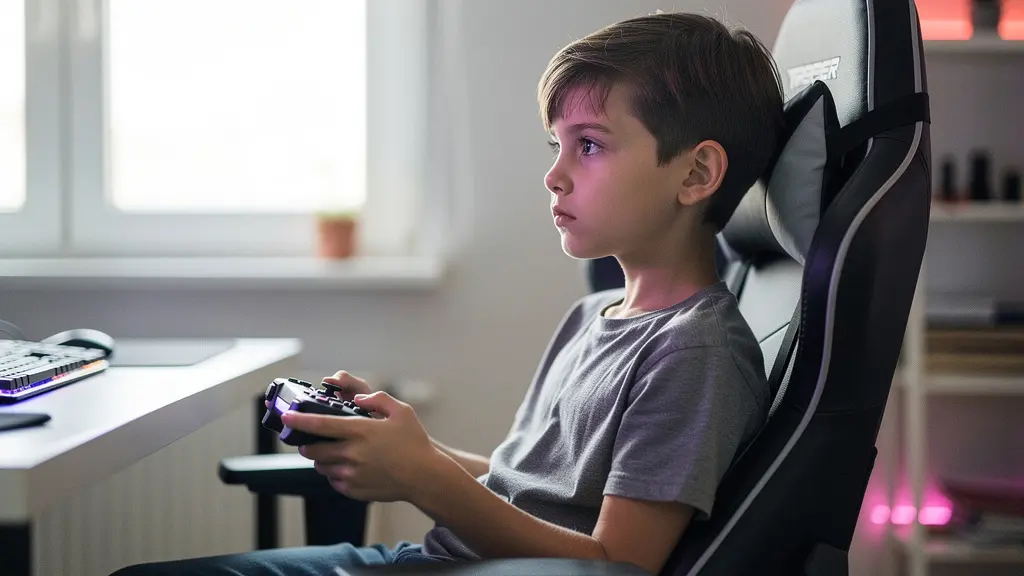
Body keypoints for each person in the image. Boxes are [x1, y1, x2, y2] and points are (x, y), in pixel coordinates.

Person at [112, 10, 783, 576]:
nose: (554, 175)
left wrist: (422, 478)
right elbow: (536, 491)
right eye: (556, 145)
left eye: (590, 147)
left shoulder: (694, 354)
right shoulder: (596, 314)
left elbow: (615, 566)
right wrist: (406, 449)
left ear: (696, 172)